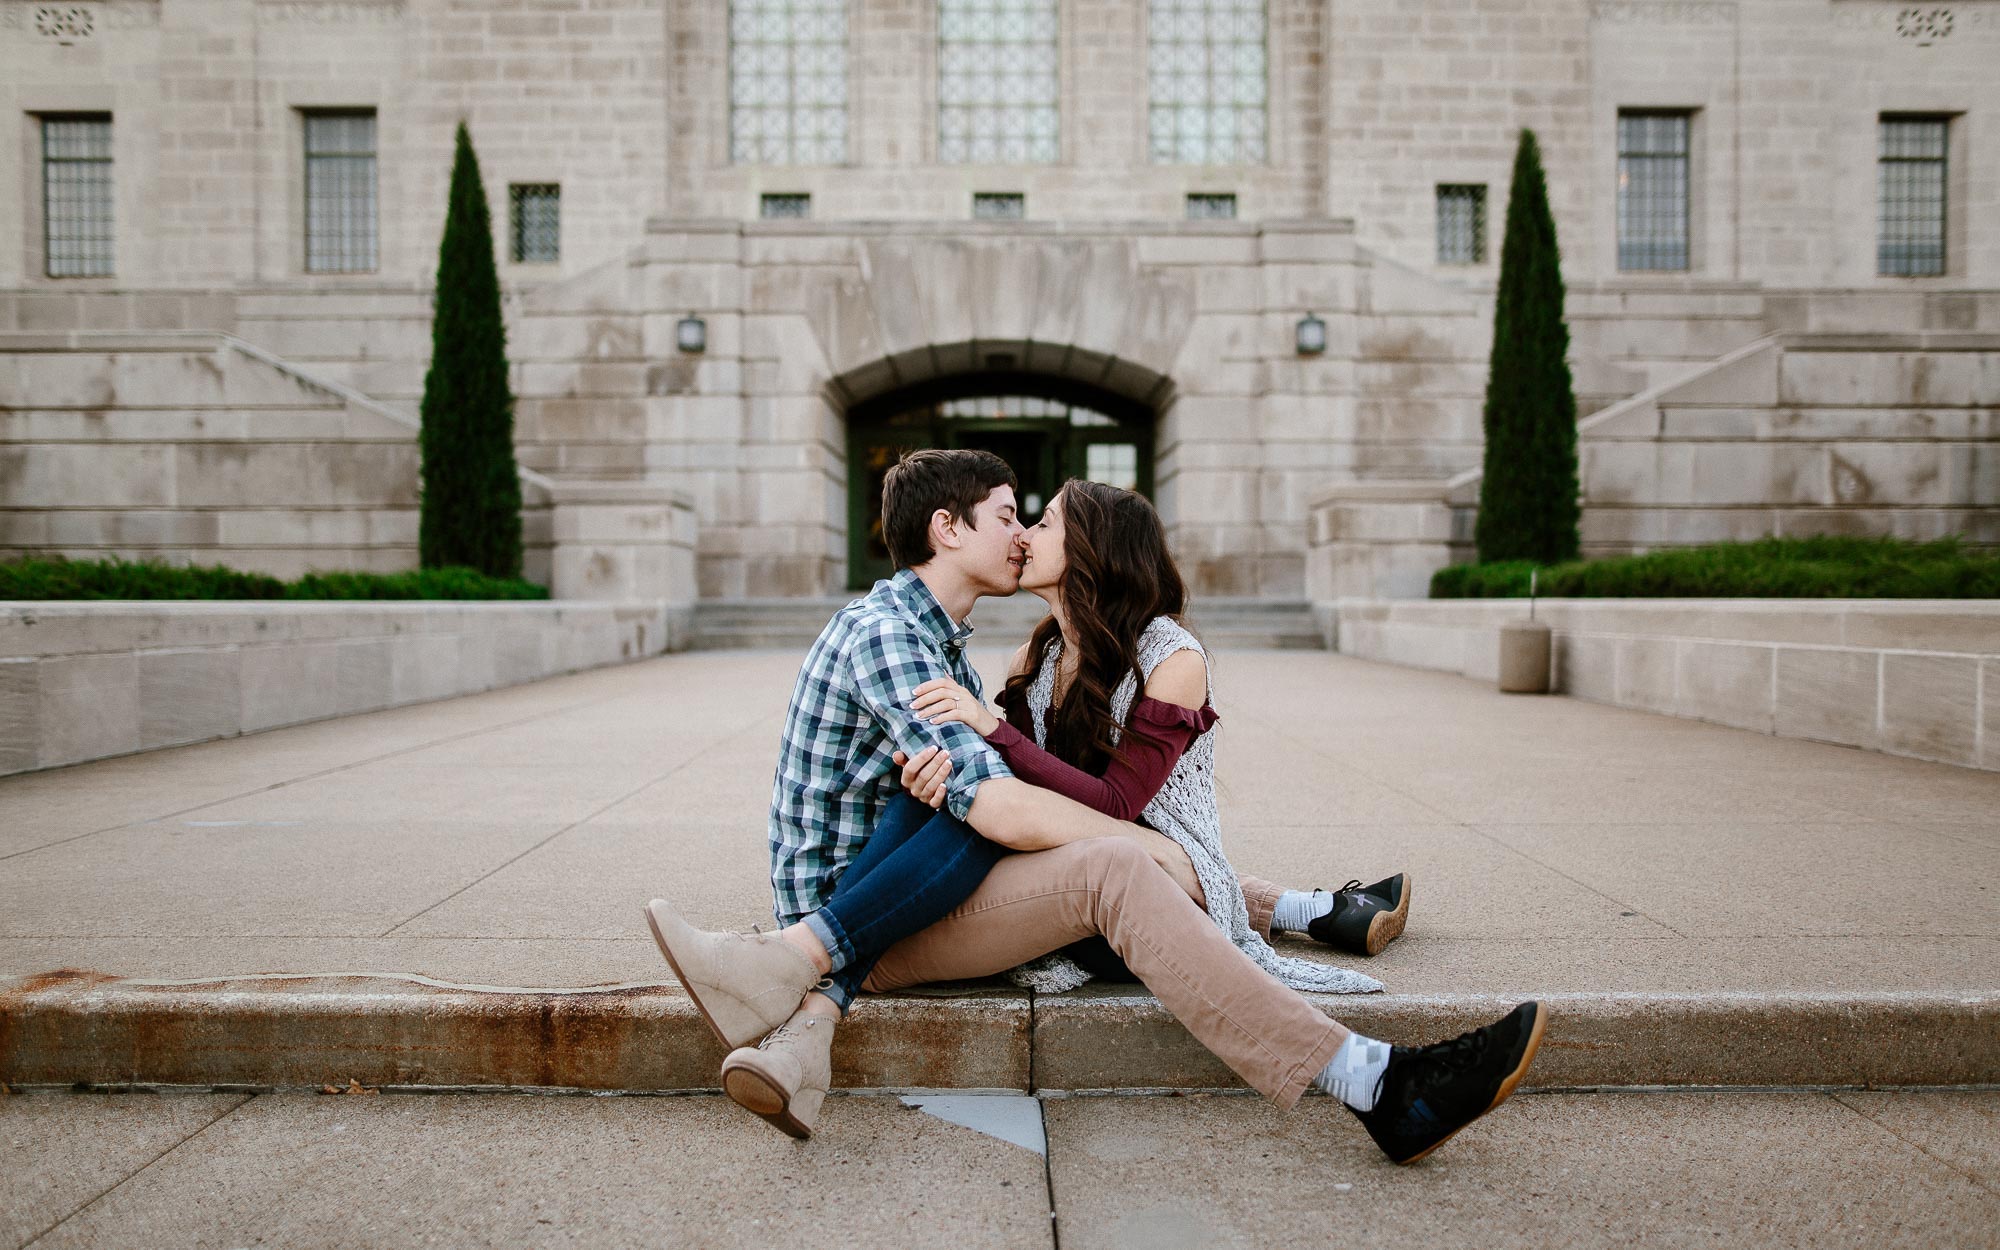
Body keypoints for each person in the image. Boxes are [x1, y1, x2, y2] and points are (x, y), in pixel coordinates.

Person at [646, 454, 1544, 1164]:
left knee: (1080, 843)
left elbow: (1019, 799)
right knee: (1107, 860)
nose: (1022, 535)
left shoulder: (954, 651)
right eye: (1010, 517)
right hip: (873, 913)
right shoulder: (899, 639)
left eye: (1035, 522)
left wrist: (1118, 830)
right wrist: (1140, 845)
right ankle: (1377, 1083)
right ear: (947, 528)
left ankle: (804, 988)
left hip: (903, 898)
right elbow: (1004, 810)